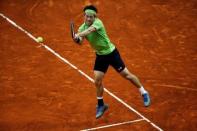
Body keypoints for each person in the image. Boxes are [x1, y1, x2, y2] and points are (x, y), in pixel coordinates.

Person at [73, 5, 150, 119]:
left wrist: (78, 35)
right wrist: (77, 40)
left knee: (127, 75)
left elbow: (90, 30)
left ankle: (144, 92)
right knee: (97, 81)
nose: (89, 19)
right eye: (87, 16)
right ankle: (101, 105)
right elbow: (80, 43)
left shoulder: (98, 23)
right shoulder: (81, 28)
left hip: (112, 54)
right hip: (100, 56)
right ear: (84, 16)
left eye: (91, 17)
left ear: (95, 17)